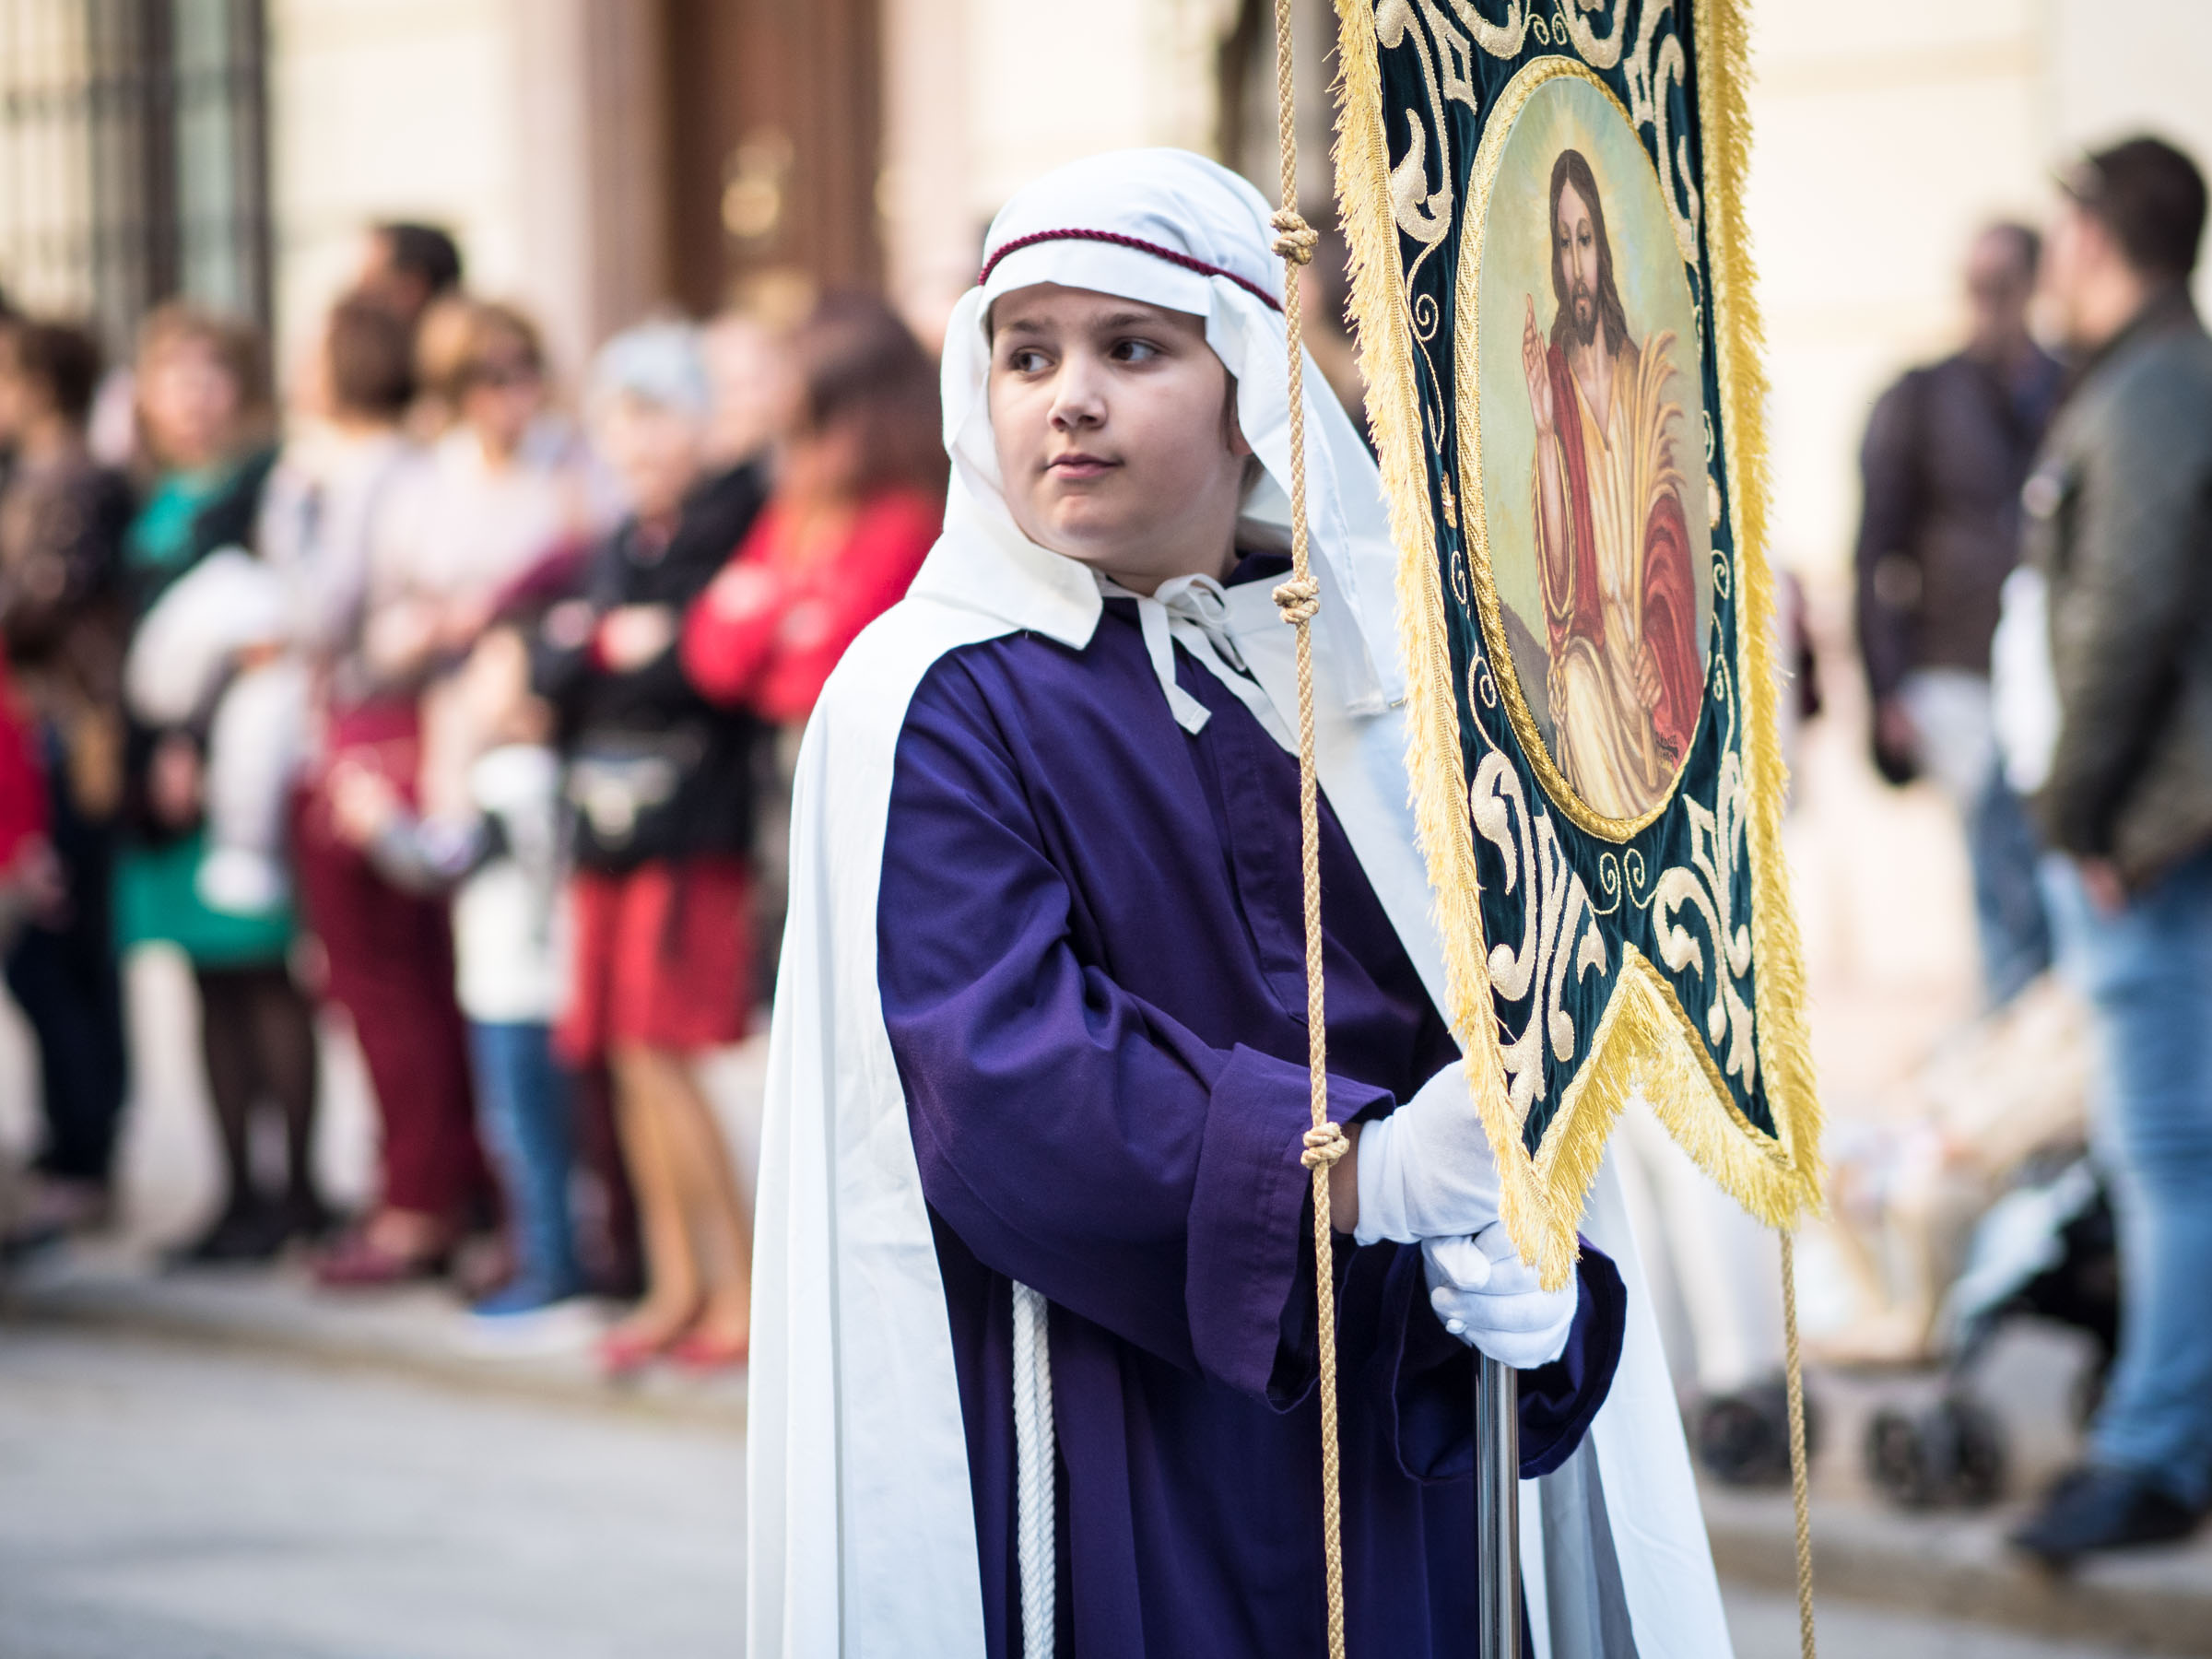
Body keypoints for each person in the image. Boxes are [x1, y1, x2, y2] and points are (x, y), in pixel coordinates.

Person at [752, 150, 1733, 1658]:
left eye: (1130, 348)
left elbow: (1487, 1036)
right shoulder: (938, 698)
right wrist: (1365, 1180)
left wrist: (1527, 1253)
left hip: (1389, 1415)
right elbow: (1006, 1085)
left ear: (1245, 384)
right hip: (1108, 1419)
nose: (1066, 397)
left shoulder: (1365, 675)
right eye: (1028, 354)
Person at [2000, 135, 2212, 1566]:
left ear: (2093, 240)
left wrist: (2078, 820)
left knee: (2169, 1153)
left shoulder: (2152, 392)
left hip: (2140, 842)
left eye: (2062, 228)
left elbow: (2124, 621)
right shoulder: (2150, 381)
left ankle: (2157, 1453)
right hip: (2147, 831)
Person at [532, 323, 767, 1374]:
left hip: (691, 827)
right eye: (619, 425)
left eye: (656, 418)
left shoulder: (737, 518)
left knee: (670, 1052)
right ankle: (677, 1283)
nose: (638, 444)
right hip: (608, 825)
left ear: (699, 422)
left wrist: (620, 649)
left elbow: (701, 670)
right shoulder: (623, 539)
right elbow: (560, 667)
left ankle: (743, 1290)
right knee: (625, 1057)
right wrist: (608, 648)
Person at [274, 293, 492, 1288]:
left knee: (385, 988)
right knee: (408, 987)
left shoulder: (363, 475)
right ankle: (438, 1182)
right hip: (391, 736)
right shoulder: (413, 469)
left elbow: (325, 613)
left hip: (379, 741)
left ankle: (419, 1203)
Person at [113, 303, 325, 1261]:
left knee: (261, 968)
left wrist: (191, 738)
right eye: (173, 376)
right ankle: (236, 1188)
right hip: (154, 768)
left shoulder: (264, 487)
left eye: (211, 374)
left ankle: (301, 1190)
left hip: (228, 763)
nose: (193, 398)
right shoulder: (144, 496)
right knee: (206, 982)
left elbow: (274, 627)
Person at [330, 623, 582, 1322]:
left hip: (518, 988)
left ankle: (550, 1270)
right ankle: (545, 1259)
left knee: (526, 1135)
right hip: (522, 984)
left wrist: (382, 825)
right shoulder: (534, 774)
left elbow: (441, 860)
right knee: (533, 1132)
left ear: (534, 705)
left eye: (492, 673)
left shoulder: (510, 777)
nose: (470, 683)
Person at [1855, 222, 2063, 1009]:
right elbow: (1873, 549)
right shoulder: (1919, 395)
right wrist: (1886, 691)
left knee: (2041, 869)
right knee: (2001, 858)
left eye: (2004, 283)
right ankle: (2015, 1025)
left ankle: (2038, 1041)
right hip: (1954, 667)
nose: (1989, 302)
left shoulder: (2066, 385)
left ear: (2034, 284)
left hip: (2047, 668)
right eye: (1976, 285)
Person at [0, 319, 135, 1246]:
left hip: (64, 743)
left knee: (60, 953)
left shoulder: (79, 482)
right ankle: (68, 1144)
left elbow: (31, 609)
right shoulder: (29, 479)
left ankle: (85, 1152)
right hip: (36, 740)